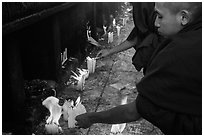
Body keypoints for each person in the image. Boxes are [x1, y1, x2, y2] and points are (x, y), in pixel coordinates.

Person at [75, 2, 202, 135]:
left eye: (160, 16)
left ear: (183, 17)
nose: (156, 23)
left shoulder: (178, 53)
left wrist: (91, 118)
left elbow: (135, 111)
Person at [96, 2, 161, 73]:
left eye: (160, 17)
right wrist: (109, 51)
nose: (157, 23)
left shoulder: (145, 5)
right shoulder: (145, 20)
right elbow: (135, 38)